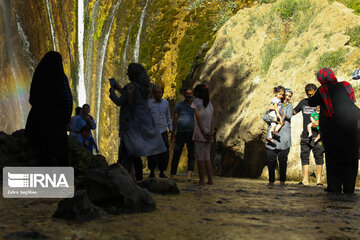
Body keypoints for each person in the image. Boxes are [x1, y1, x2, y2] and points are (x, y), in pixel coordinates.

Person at [109, 63, 166, 182]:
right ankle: (137, 179)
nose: (127, 73)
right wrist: (121, 89)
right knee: (133, 153)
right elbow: (132, 98)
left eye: (129, 71)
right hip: (142, 123)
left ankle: (124, 180)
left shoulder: (130, 87)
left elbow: (120, 102)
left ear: (133, 74)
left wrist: (112, 93)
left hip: (129, 124)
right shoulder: (145, 87)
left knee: (126, 153)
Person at [309, 68, 359, 193]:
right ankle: (349, 189)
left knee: (333, 157)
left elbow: (311, 102)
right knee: (351, 157)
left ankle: (334, 187)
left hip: (334, 125)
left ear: (321, 79)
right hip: (354, 121)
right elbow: (352, 100)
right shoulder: (346, 85)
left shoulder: (323, 90)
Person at [25, 51, 73, 166]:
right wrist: (66, 119)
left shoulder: (38, 76)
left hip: (38, 121)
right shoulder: (61, 78)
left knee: (43, 153)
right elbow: (68, 99)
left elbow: (32, 99)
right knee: (61, 153)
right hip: (57, 121)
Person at [293, 84, 325, 186]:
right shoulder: (303, 102)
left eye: (313, 94)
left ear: (316, 91)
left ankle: (319, 181)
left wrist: (319, 123)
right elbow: (294, 111)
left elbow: (328, 116)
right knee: (304, 157)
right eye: (309, 94)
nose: (311, 96)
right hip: (305, 136)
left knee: (319, 157)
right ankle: (305, 180)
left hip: (318, 136)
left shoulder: (321, 102)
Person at [263, 87, 293, 185]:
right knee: (270, 160)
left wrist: (277, 109)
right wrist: (273, 119)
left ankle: (282, 181)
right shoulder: (273, 103)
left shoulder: (289, 106)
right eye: (285, 95)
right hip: (271, 138)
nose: (287, 97)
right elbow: (265, 117)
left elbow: (288, 116)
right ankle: (271, 181)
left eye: (289, 96)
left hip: (283, 139)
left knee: (283, 161)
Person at [170, 88, 196, 180]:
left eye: (190, 93)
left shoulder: (195, 105)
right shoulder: (179, 105)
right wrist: (173, 133)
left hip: (192, 133)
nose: (189, 95)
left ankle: (189, 176)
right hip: (180, 132)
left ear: (192, 94)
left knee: (191, 155)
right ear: (184, 95)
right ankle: (173, 174)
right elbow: (175, 119)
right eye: (187, 93)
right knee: (176, 154)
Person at [147, 86, 173, 178]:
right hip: (152, 131)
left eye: (159, 92)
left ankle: (162, 171)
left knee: (164, 152)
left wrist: (171, 128)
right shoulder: (149, 103)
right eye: (156, 92)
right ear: (153, 93)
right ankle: (152, 171)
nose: (158, 94)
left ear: (162, 93)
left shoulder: (165, 103)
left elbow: (168, 116)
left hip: (163, 131)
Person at [192, 84, 214, 185]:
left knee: (200, 157)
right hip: (209, 135)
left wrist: (203, 132)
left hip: (200, 134)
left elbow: (198, 118)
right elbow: (212, 120)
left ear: (198, 93)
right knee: (207, 157)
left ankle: (201, 180)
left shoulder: (196, 102)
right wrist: (210, 132)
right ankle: (210, 180)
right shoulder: (210, 104)